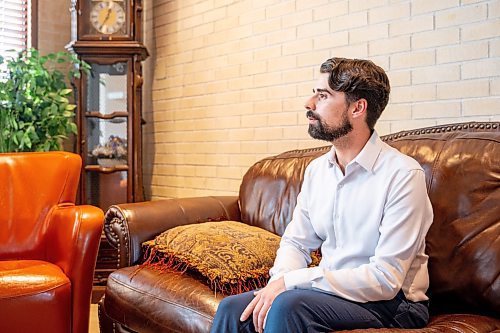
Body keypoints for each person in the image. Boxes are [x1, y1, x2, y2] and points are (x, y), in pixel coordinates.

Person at [210, 57, 434, 333]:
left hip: (394, 303)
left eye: (323, 95)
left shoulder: (402, 175)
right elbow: (296, 242)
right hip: (331, 292)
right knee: (233, 310)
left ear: (357, 108)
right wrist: (278, 282)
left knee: (289, 307)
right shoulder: (318, 171)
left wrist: (293, 283)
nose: (309, 103)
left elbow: (386, 280)